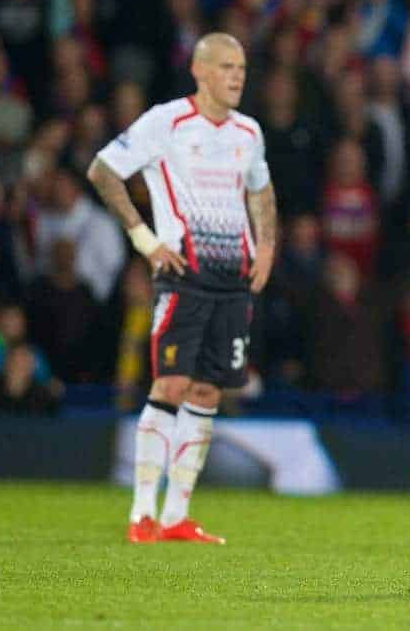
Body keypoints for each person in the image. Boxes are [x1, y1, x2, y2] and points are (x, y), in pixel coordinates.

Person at [87, 33, 276, 545]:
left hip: (233, 280)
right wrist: (145, 239)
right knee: (169, 384)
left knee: (208, 390)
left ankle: (176, 516)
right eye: (227, 66)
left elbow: (260, 189)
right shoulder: (164, 122)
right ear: (200, 71)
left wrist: (266, 247)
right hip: (184, 273)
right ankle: (141, 513)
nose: (238, 75)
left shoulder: (247, 131)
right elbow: (103, 171)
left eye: (242, 67)